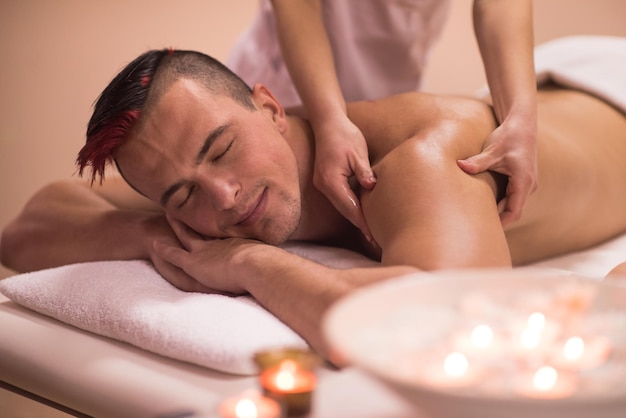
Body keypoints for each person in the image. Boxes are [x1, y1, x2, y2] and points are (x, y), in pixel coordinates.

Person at [2, 47, 626, 357]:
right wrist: (158, 236)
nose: (221, 196)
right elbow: (29, 227)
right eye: (182, 193)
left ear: (271, 108)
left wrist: (250, 263)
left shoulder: (420, 160)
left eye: (221, 150)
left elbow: (449, 328)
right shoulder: (193, 204)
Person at [228, 0, 539, 244]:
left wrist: (520, 117)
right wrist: (328, 120)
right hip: (293, 88)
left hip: (389, 94)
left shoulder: (424, 157)